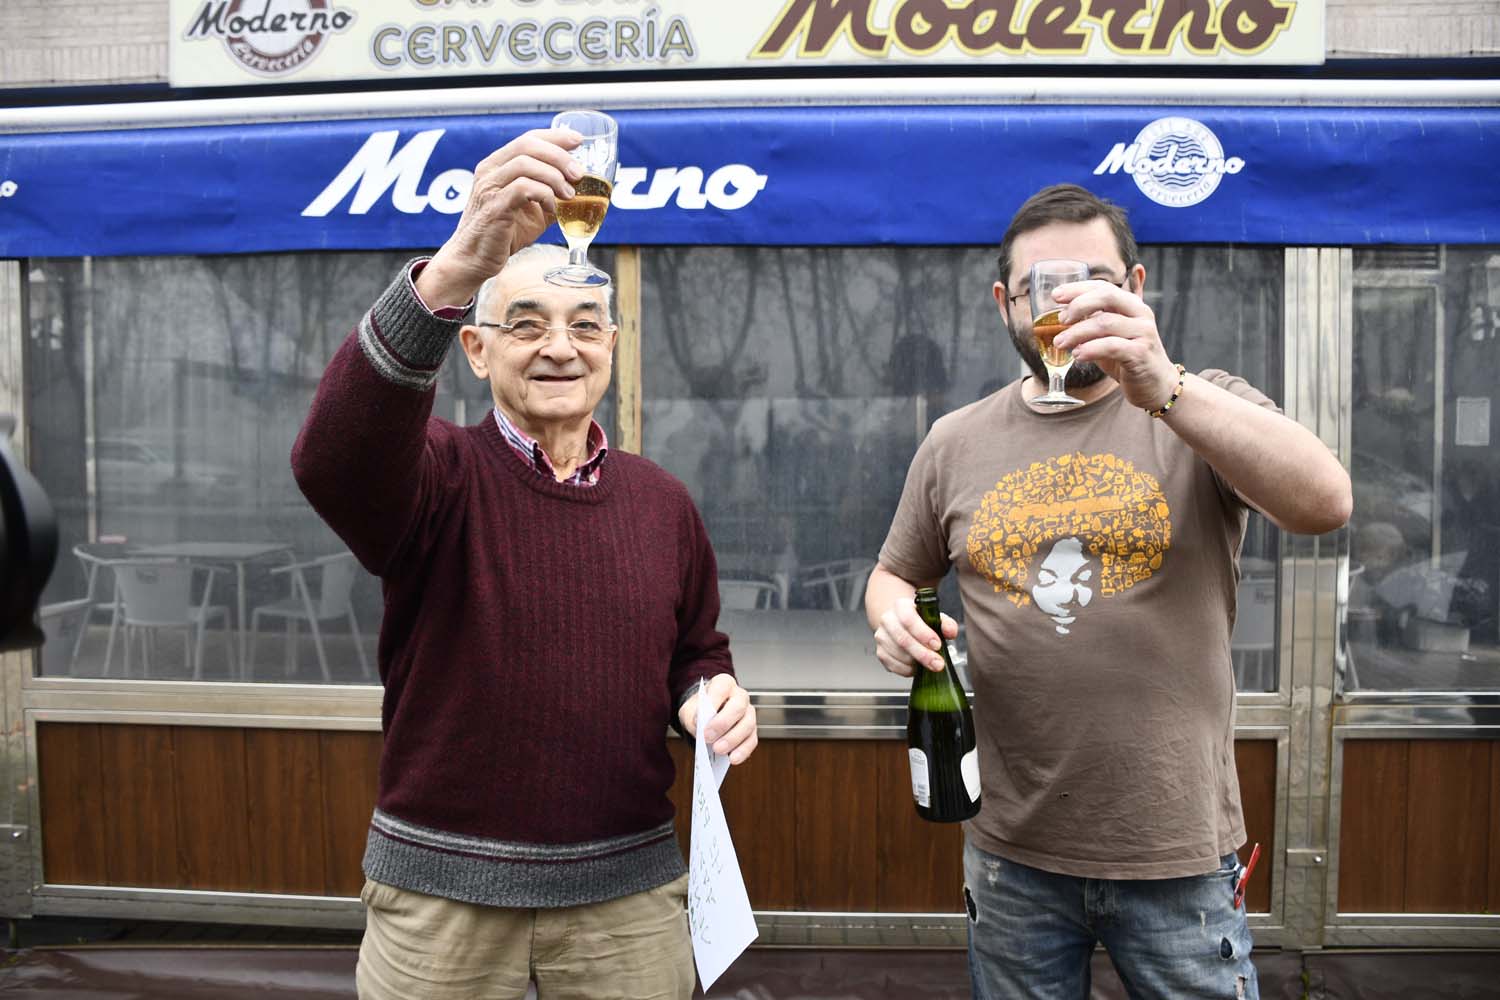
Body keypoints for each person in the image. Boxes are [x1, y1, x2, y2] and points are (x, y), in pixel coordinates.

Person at [291, 127, 757, 1000]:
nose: (560, 346)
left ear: (612, 348)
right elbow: (331, 457)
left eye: (586, 325)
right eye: (528, 324)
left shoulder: (664, 503)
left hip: (627, 901)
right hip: (442, 904)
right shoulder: (433, 476)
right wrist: (459, 264)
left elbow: (697, 653)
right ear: (477, 350)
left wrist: (710, 700)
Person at [866, 184, 1351, 1000]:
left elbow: (1325, 502)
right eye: (1041, 288)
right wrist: (893, 620)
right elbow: (894, 575)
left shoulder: (1202, 406)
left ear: (1134, 288)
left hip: (1175, 855)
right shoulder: (955, 441)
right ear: (1004, 305)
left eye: (1091, 280)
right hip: (1011, 853)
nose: (1066, 303)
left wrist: (1163, 384)